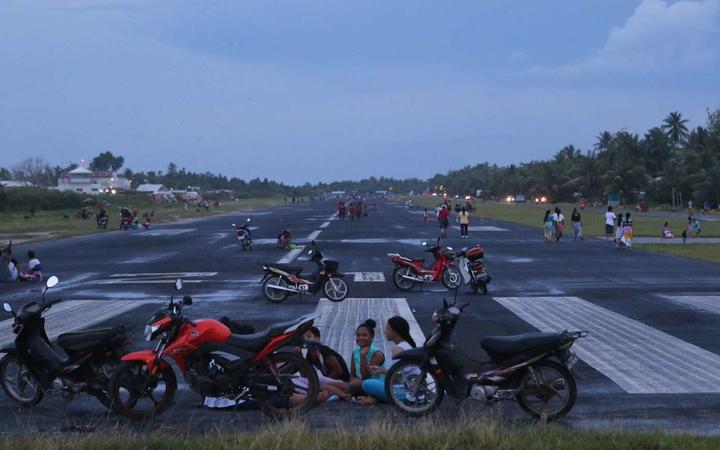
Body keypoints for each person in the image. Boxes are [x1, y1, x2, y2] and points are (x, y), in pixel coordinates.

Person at [358, 316, 418, 404]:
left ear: (395, 331)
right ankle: (375, 398)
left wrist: (382, 371)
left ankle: (377, 399)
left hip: (407, 393)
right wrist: (381, 370)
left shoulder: (398, 349)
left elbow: (396, 377)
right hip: (412, 389)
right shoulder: (407, 345)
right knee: (377, 383)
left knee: (366, 384)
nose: (385, 332)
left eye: (387, 329)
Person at [348, 319, 385, 403]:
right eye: (358, 335)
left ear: (371, 337)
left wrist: (363, 356)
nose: (361, 337)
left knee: (353, 385)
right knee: (336, 384)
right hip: (360, 384)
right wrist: (353, 382)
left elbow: (366, 376)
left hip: (376, 385)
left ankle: (348, 394)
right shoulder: (355, 352)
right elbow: (352, 375)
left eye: (364, 335)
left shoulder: (377, 354)